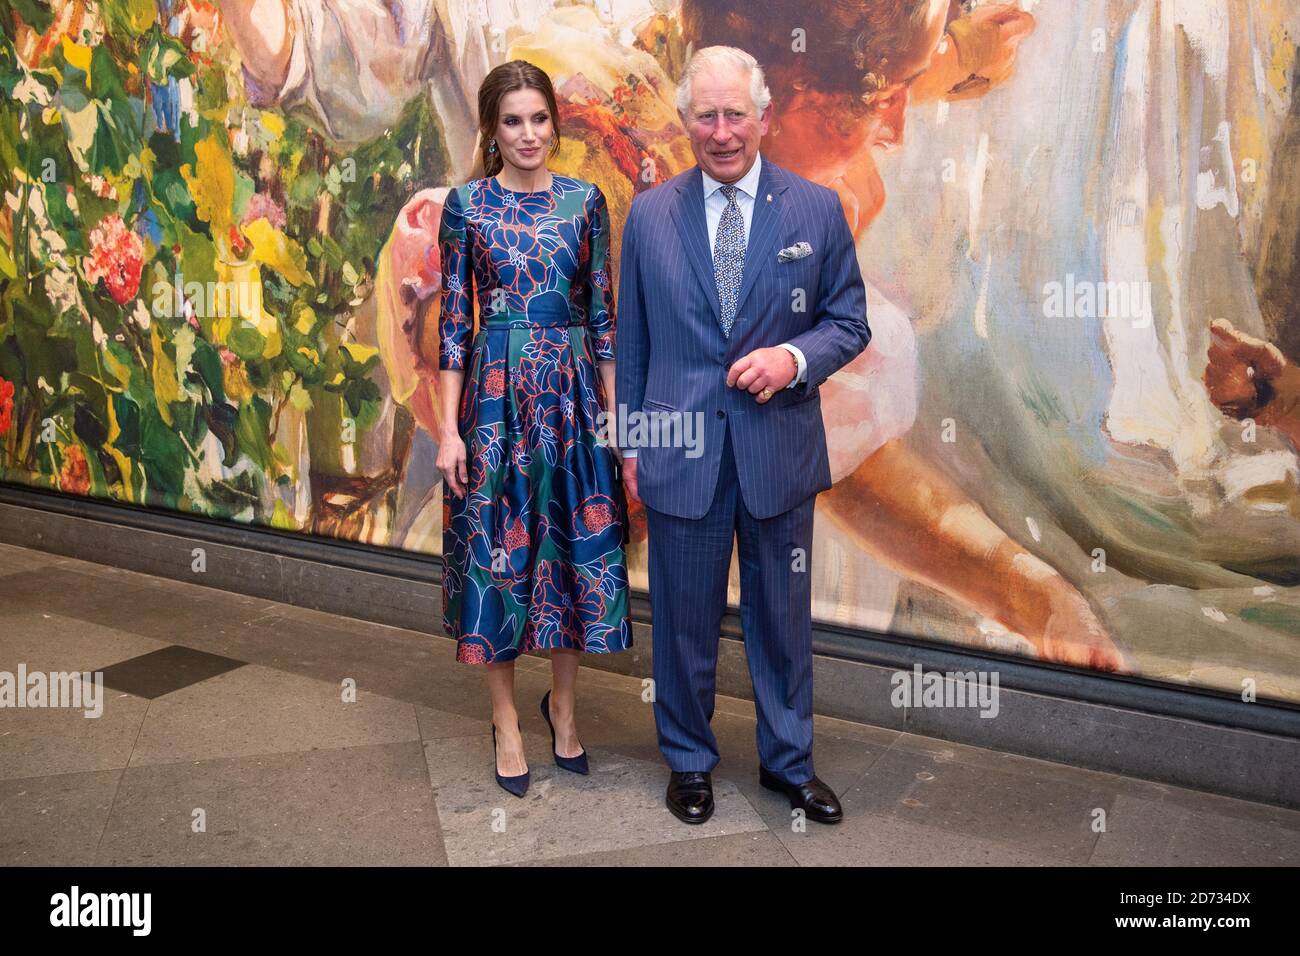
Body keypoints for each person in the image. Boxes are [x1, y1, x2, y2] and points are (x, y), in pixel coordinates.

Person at [616, 46, 872, 825]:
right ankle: (688, 762)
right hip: (678, 452)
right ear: (686, 121)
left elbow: (849, 322)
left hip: (777, 454)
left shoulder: (816, 210)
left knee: (782, 622)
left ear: (765, 117)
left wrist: (793, 357)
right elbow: (633, 341)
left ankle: (788, 764)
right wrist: (630, 443)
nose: (722, 132)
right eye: (706, 116)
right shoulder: (650, 214)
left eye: (736, 115)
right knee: (683, 622)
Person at [435, 60, 633, 798]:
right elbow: (455, 324)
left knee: (570, 548)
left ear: (556, 122)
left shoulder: (586, 202)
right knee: (498, 556)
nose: (528, 134)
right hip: (492, 401)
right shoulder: (468, 207)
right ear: (492, 128)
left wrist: (618, 419)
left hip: (573, 399)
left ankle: (565, 708)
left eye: (539, 118)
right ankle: (506, 721)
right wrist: (451, 431)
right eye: (512, 121)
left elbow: (602, 319)